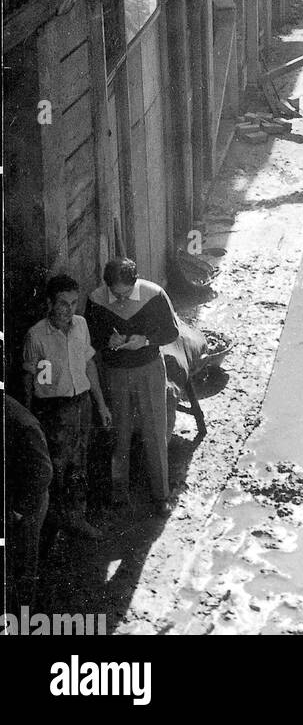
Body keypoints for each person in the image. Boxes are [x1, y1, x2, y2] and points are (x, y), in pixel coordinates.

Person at [86, 257, 180, 517]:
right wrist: (108, 339)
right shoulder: (95, 299)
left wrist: (146, 340)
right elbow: (90, 337)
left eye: (126, 292)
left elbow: (172, 332)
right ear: (107, 286)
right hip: (115, 372)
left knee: (154, 429)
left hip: (148, 369)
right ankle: (119, 491)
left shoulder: (154, 294)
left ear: (135, 281)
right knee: (120, 431)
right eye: (115, 293)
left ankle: (161, 495)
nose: (121, 298)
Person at [23, 273, 111, 542]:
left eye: (73, 303)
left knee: (80, 465)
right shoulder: (37, 335)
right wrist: (31, 417)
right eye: (62, 303)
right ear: (49, 303)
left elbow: (88, 365)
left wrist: (101, 404)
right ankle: (54, 529)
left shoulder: (81, 325)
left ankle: (77, 519)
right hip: (54, 411)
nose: (68, 310)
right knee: (55, 471)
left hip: (82, 404)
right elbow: (32, 381)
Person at [4, 393, 53, 612]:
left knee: (21, 568)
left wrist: (18, 512)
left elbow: (42, 473)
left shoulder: (20, 421)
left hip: (26, 505)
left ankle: (22, 618)